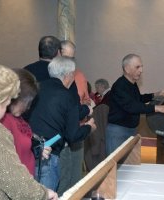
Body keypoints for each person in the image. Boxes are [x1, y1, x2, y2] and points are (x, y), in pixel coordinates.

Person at [28, 56, 96, 192]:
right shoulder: (67, 96)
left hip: (30, 151)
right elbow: (73, 135)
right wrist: (89, 127)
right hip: (49, 155)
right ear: (68, 75)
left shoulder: (35, 89)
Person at [0, 63, 58, 200]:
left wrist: (36, 151)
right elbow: (12, 177)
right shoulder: (1, 127)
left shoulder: (17, 120)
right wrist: (43, 194)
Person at [106, 53, 164, 155]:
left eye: (141, 67)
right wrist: (158, 108)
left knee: (129, 166)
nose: (141, 70)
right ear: (127, 69)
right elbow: (132, 107)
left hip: (130, 130)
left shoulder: (132, 84)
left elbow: (138, 99)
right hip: (118, 132)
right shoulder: (119, 86)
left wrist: (155, 94)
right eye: (137, 67)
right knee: (116, 167)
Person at [57, 40, 93, 196]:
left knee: (77, 177)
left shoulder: (79, 75)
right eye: (66, 57)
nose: (69, 62)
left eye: (72, 58)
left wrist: (88, 105)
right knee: (63, 178)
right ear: (58, 55)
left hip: (78, 129)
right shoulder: (52, 75)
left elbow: (84, 99)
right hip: (61, 135)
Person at [0, 69, 51, 176]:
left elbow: (22, 150)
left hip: (27, 181)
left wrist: (38, 151)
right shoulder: (4, 122)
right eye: (28, 102)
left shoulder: (18, 118)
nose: (28, 107)